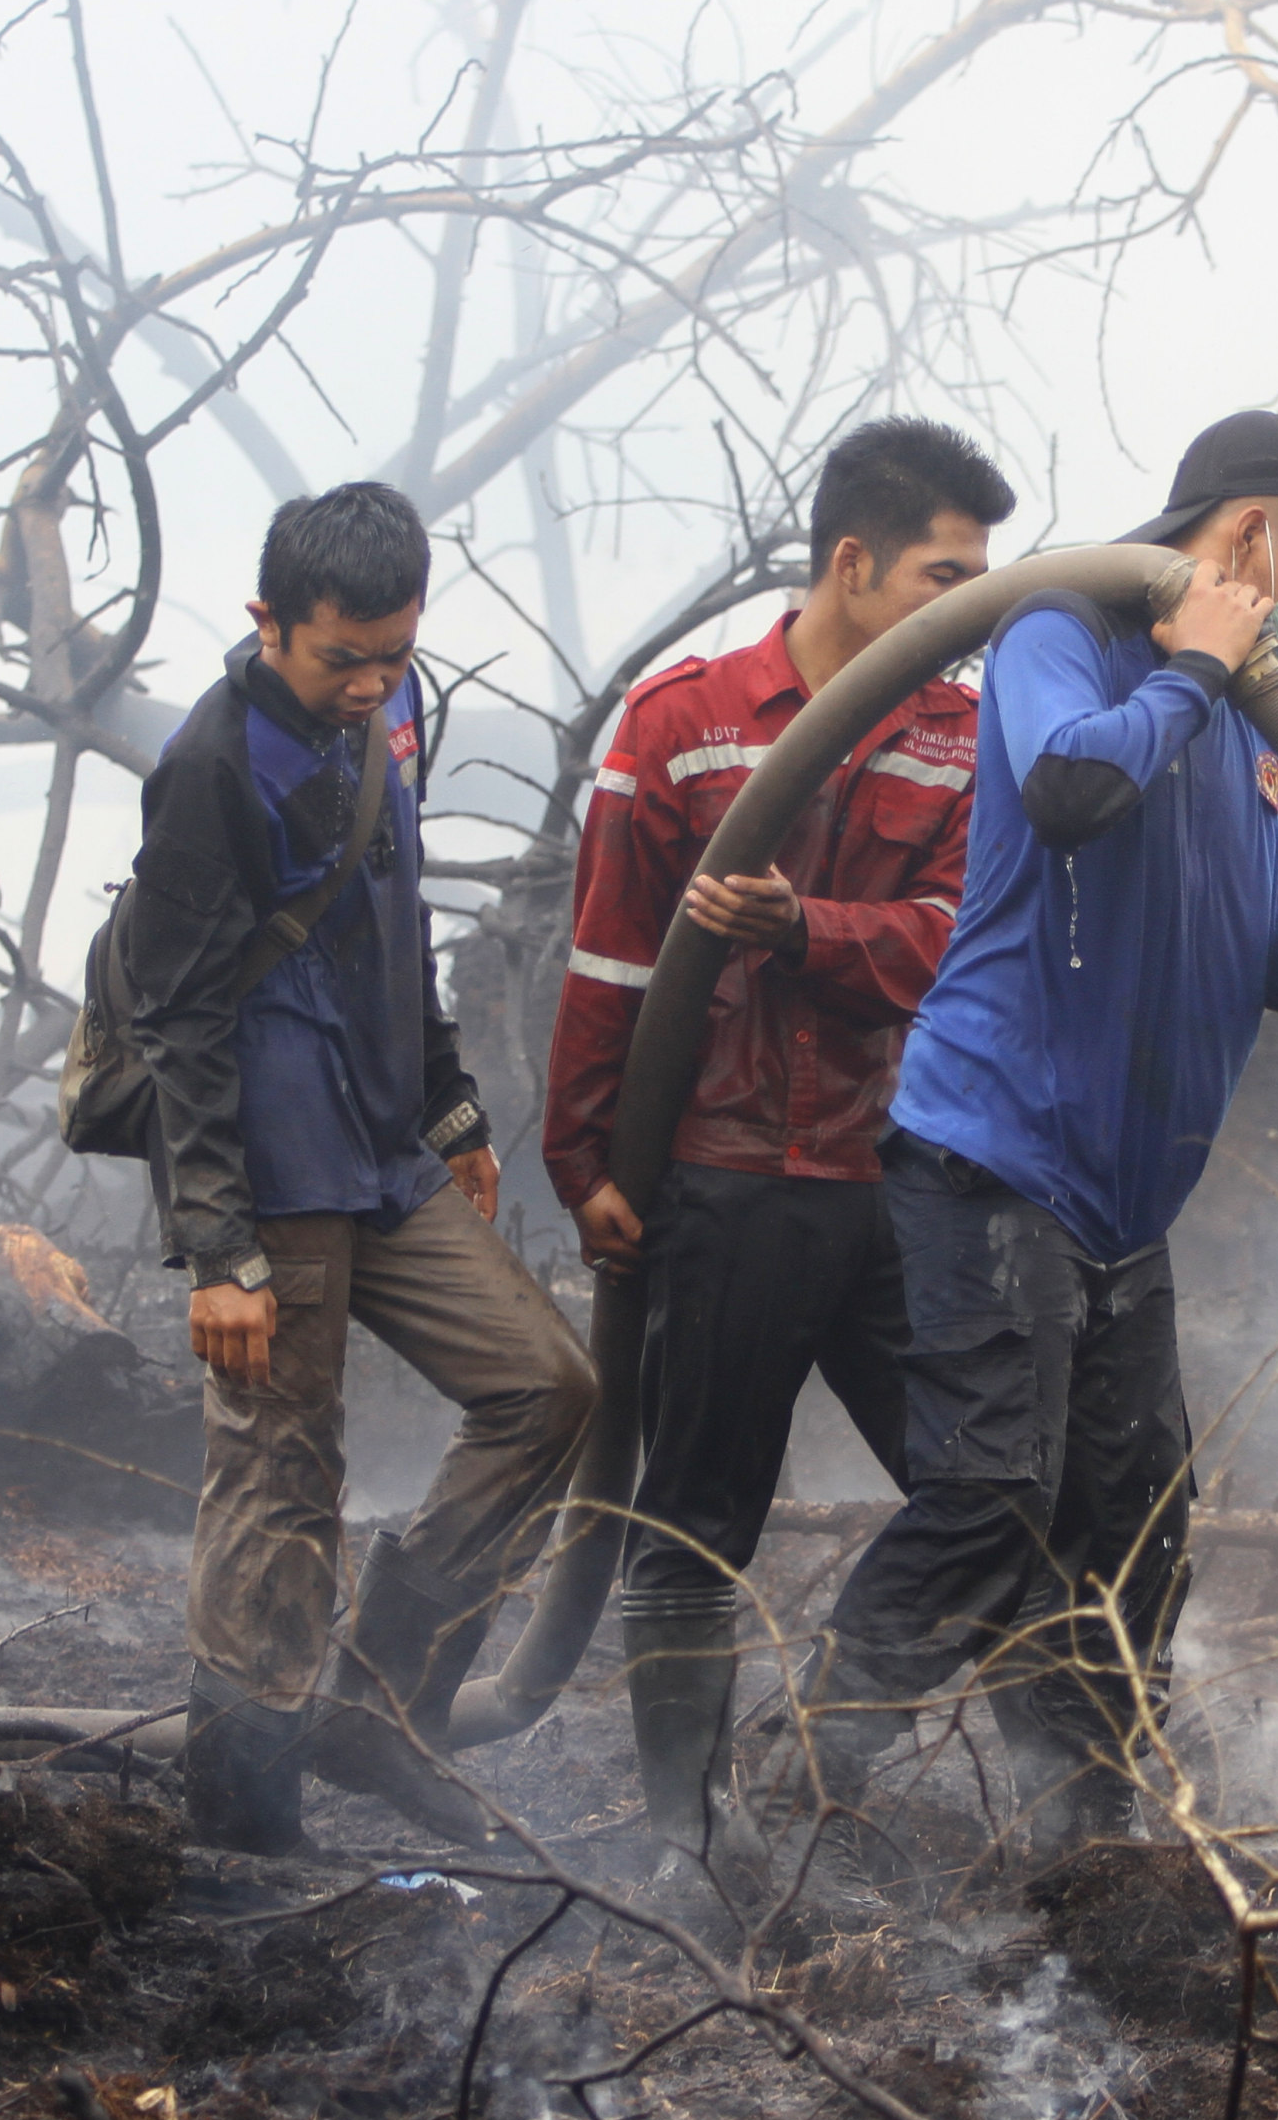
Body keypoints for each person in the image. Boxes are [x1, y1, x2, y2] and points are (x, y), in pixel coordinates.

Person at [788, 410, 1278, 1895]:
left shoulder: (1249, 720)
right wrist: (1194, 664)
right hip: (997, 1156)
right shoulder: (1064, 631)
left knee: (1136, 1523)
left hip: (1124, 1201)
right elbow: (1071, 791)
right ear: (1247, 532)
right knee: (993, 1496)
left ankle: (1090, 1833)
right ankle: (800, 1777)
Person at [543, 418, 1015, 1916]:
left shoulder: (963, 734)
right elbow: (612, 958)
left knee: (987, 1484)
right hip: (725, 1182)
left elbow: (956, 941)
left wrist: (803, 928)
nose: (970, 612)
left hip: (889, 1180)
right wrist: (585, 1160)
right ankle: (689, 1838)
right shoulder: (683, 720)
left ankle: (827, 1756)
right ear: (852, 562)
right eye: (946, 578)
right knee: (696, 1516)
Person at [122, 482, 596, 1853]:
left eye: (395, 652)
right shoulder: (211, 763)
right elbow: (173, 1018)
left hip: (385, 1149)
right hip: (272, 1165)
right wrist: (219, 1250)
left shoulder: (391, 711)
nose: (373, 683)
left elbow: (392, 915)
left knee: (551, 1389)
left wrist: (448, 1105)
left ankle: (378, 1705)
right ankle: (243, 1827)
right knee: (279, 1475)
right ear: (268, 620)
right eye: (343, 657)